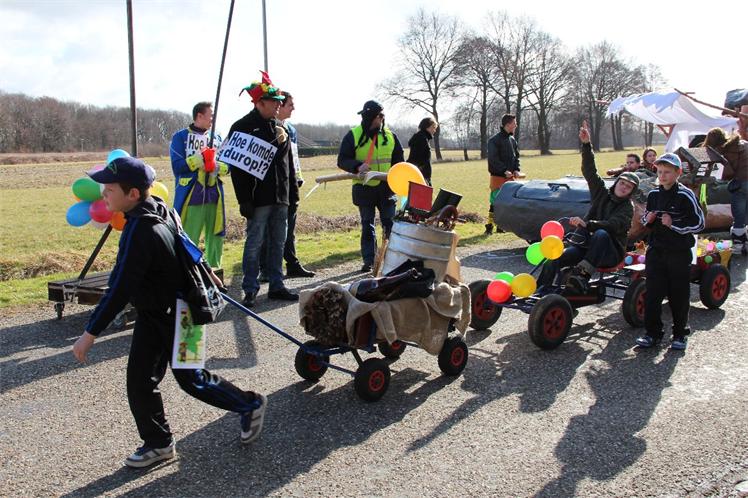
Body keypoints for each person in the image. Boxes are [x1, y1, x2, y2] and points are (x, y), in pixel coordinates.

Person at [71, 157, 267, 468]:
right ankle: (159, 442)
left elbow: (120, 287)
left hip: (181, 315)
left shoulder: (141, 231)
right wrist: (208, 271)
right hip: (159, 313)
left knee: (191, 379)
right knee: (141, 380)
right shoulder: (158, 206)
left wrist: (90, 333)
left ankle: (249, 404)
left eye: (109, 189)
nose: (103, 193)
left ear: (133, 194)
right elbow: (186, 242)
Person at [537, 122, 639, 291]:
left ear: (631, 192)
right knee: (554, 258)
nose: (624, 187)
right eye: (622, 183)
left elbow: (613, 225)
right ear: (616, 183)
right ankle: (541, 292)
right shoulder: (602, 193)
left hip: (610, 253)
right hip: (585, 248)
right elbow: (590, 171)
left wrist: (587, 224)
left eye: (628, 187)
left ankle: (582, 276)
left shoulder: (628, 207)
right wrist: (586, 145)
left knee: (601, 233)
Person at [228, 72, 299, 307]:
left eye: (279, 101)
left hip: (281, 196)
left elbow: (288, 165)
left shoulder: (280, 127)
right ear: (259, 103)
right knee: (255, 243)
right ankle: (250, 288)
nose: (279, 104)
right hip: (258, 199)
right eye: (274, 101)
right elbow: (237, 170)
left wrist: (293, 194)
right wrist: (244, 200)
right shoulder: (242, 127)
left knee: (279, 242)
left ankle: (277, 285)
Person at [635, 153, 705, 351]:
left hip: (678, 252)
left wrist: (674, 224)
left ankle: (680, 334)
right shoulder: (653, 195)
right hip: (656, 250)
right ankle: (652, 333)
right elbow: (646, 221)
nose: (663, 176)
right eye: (659, 171)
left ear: (678, 173)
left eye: (667, 172)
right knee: (653, 294)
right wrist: (647, 220)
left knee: (678, 295)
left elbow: (699, 223)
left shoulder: (685, 195)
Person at [337, 100, 404, 273]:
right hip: (364, 188)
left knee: (389, 224)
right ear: (371, 117)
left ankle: (392, 259)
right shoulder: (353, 135)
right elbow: (342, 160)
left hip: (387, 188)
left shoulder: (391, 136)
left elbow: (399, 162)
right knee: (368, 225)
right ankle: (370, 261)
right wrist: (357, 166)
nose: (381, 118)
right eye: (378, 116)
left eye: (382, 116)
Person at [259, 91, 315, 280]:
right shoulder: (268, 127)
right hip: (273, 186)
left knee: (289, 227)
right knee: (269, 229)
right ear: (279, 106)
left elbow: (294, 157)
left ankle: (292, 264)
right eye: (290, 104)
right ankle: (265, 268)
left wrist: (298, 176)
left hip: (291, 184)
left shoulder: (291, 130)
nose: (293, 108)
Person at [169, 102, 229, 277]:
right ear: (200, 116)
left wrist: (217, 166)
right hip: (191, 196)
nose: (213, 119)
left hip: (214, 195)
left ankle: (215, 272)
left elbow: (228, 166)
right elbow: (177, 167)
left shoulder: (217, 138)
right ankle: (188, 273)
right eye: (211, 115)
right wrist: (199, 159)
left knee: (216, 235)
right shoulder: (180, 137)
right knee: (189, 236)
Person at [702, 127, 748, 253]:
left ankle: (738, 245)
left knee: (739, 217)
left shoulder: (726, 150)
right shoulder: (743, 144)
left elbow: (728, 172)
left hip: (741, 184)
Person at [485, 114, 521, 235]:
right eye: (514, 123)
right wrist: (504, 170)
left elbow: (516, 157)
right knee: (494, 203)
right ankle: (489, 226)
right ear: (508, 124)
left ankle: (501, 226)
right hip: (498, 178)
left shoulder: (512, 140)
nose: (516, 125)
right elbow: (493, 159)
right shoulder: (494, 141)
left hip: (510, 179)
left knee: (507, 203)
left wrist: (516, 169)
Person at [407, 117, 438, 185]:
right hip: (420, 177)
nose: (434, 130)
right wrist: (422, 177)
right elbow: (416, 159)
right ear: (427, 127)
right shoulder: (421, 139)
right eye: (433, 127)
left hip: (421, 175)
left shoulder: (422, 138)